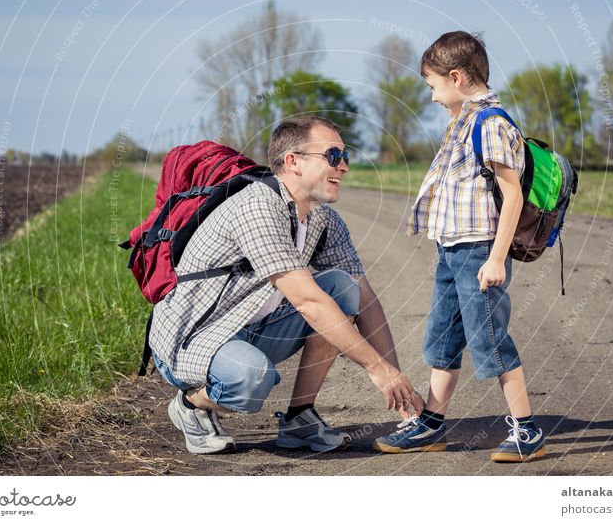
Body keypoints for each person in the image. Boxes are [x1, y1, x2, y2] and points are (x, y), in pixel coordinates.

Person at [150, 115, 423, 454]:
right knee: (249, 379)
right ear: (293, 162)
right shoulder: (257, 206)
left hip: (251, 327)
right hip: (193, 337)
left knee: (342, 289)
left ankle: (299, 418)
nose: (345, 167)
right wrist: (376, 369)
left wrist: (397, 383)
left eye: (345, 156)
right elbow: (308, 302)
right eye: (333, 156)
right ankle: (191, 404)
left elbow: (364, 298)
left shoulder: (324, 220)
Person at [373, 31, 546, 462]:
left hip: (478, 253)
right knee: (442, 339)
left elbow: (513, 197)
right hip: (451, 250)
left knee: (490, 339)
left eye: (433, 86)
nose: (431, 97)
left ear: (456, 77)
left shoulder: (492, 125)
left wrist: (495, 260)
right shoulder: (464, 122)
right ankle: (432, 423)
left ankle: (527, 429)